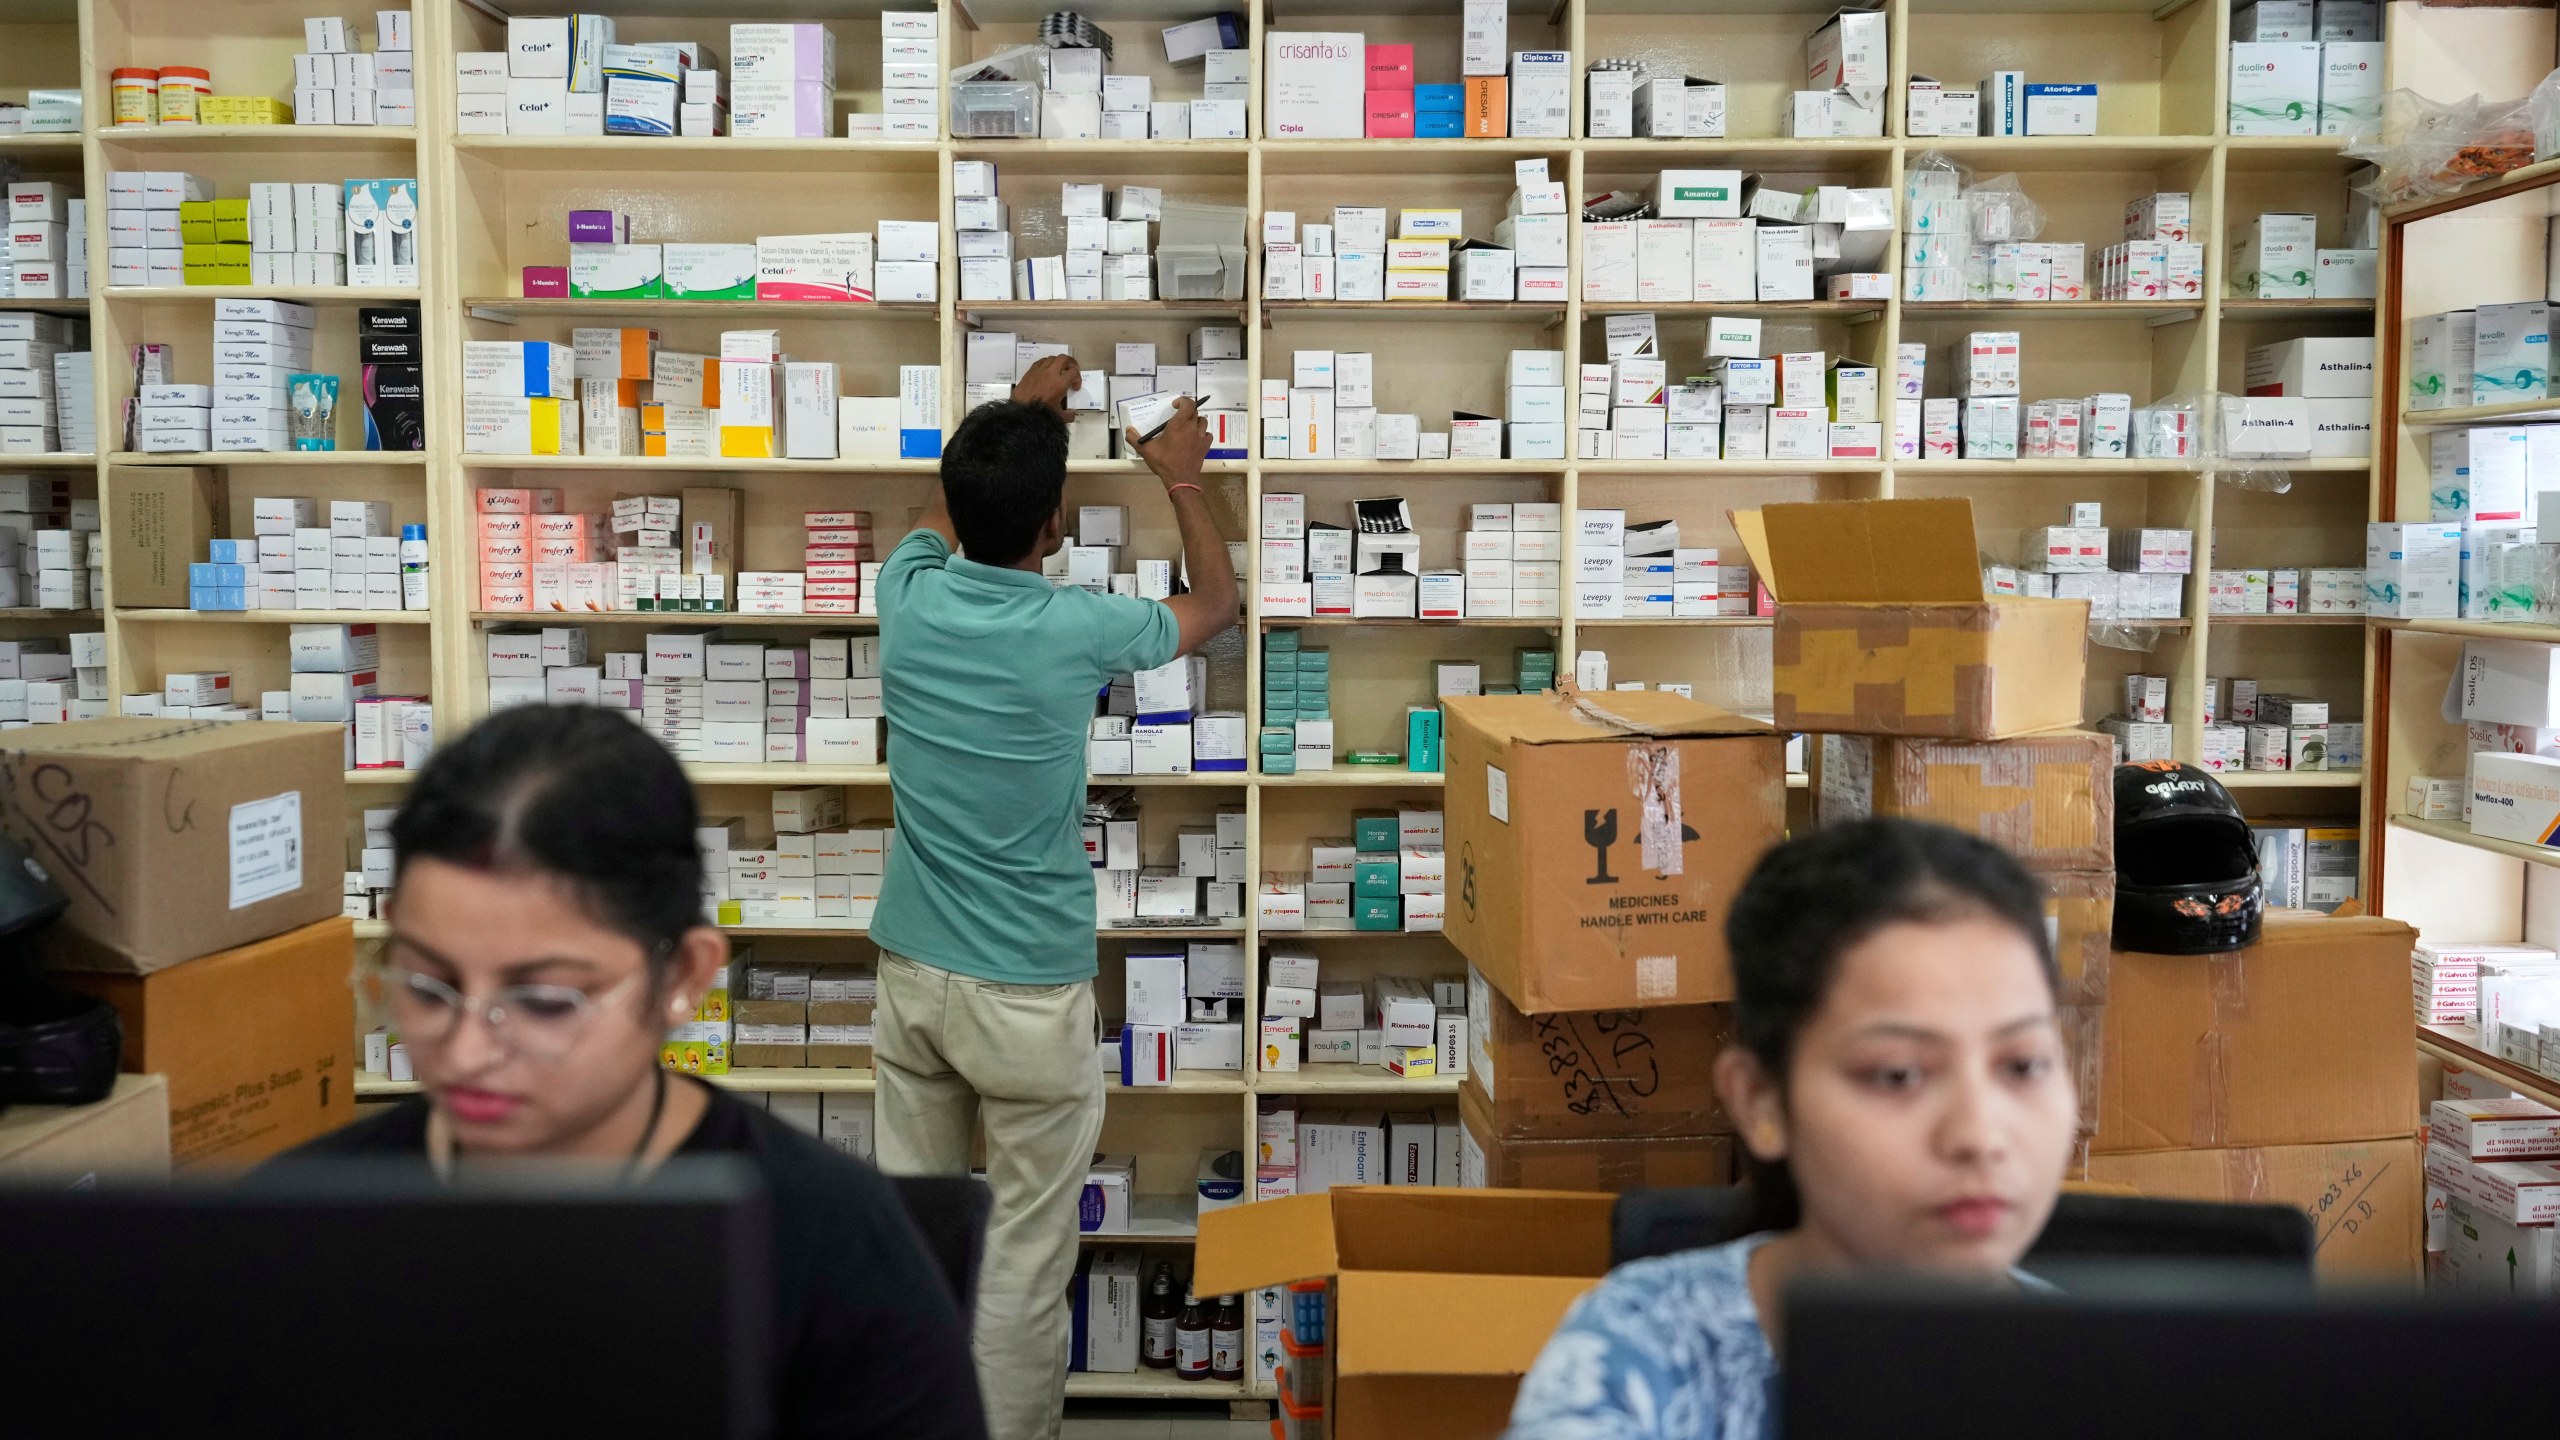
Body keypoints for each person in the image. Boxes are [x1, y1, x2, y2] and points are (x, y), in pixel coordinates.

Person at [275, 705, 986, 1440]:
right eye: (427, 988)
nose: (464, 1053)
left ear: (681, 974)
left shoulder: (832, 1249)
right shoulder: (290, 1228)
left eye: (546, 1001)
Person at [871, 356, 1238, 1440]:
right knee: (1023, 1272)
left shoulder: (906, 593)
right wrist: (1179, 477)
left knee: (917, 1243)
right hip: (1028, 992)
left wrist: (1021, 417)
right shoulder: (1078, 627)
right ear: (1056, 528)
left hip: (912, 979)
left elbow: (950, 504)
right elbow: (1214, 604)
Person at [1507, 818, 2082, 1440]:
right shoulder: (1637, 1361)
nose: (1979, 1135)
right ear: (1761, 1101)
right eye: (1896, 1076)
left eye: (2023, 1065)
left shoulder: (2112, 1371)